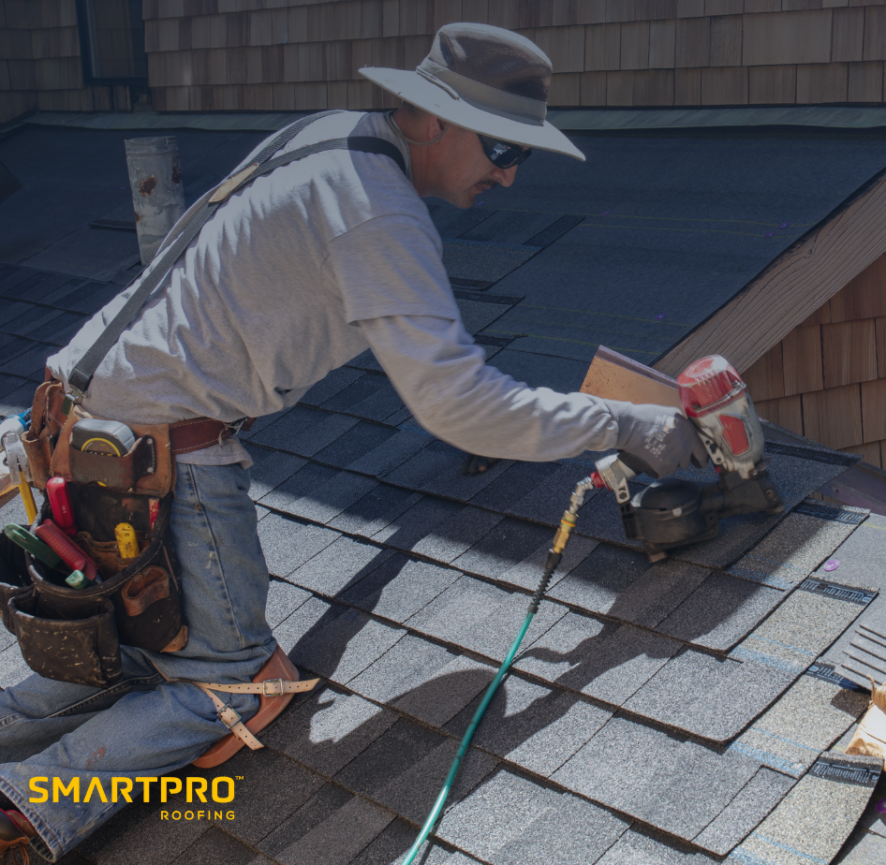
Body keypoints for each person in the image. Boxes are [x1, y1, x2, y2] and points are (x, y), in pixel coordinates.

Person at [0, 23, 704, 861]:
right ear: (431, 118)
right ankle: (29, 803)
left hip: (73, 423)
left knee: (133, 656)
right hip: (159, 450)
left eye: (527, 156)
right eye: (501, 147)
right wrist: (627, 423)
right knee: (236, 683)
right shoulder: (378, 211)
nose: (510, 174)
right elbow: (461, 406)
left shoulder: (329, 135)